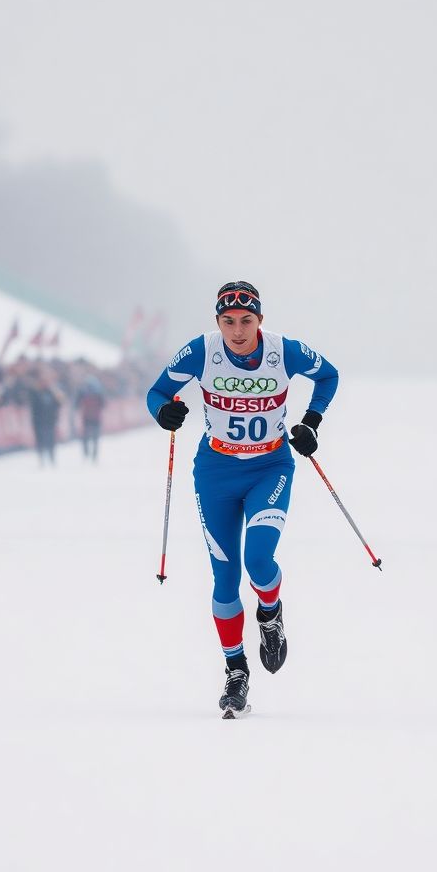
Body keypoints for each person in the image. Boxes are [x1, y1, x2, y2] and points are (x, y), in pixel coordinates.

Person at [145, 281, 339, 717]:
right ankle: (236, 672)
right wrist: (163, 413)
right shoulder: (201, 350)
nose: (237, 331)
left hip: (269, 469)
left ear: (260, 321)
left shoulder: (283, 351)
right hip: (215, 473)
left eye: (246, 321)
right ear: (217, 322)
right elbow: (156, 392)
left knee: (259, 560)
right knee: (225, 579)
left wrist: (311, 421)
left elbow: (328, 375)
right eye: (228, 321)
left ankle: (270, 614)